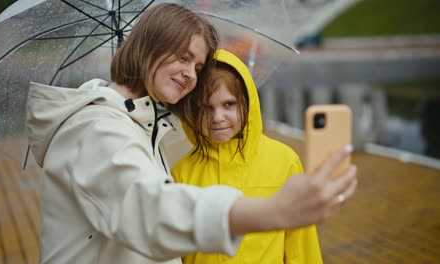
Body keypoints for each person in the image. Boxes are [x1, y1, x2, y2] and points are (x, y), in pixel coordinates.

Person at [26, 3, 357, 264]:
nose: (189, 74)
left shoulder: (142, 130)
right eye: (183, 57)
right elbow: (150, 211)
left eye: (197, 67)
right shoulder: (96, 129)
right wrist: (273, 212)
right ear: (148, 48)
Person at [172, 49, 323, 263]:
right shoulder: (182, 172)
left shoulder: (284, 160)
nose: (217, 118)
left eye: (228, 104)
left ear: (247, 102)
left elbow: (301, 239)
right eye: (206, 108)